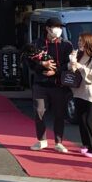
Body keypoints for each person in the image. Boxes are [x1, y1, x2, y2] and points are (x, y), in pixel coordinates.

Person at [28, 18, 74, 153]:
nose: (58, 30)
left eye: (60, 27)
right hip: (40, 84)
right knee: (39, 112)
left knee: (59, 113)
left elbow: (69, 64)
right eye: (55, 27)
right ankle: (41, 140)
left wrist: (56, 71)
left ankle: (58, 142)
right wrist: (41, 65)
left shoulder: (66, 45)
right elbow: (28, 62)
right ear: (47, 28)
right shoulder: (37, 43)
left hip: (59, 85)